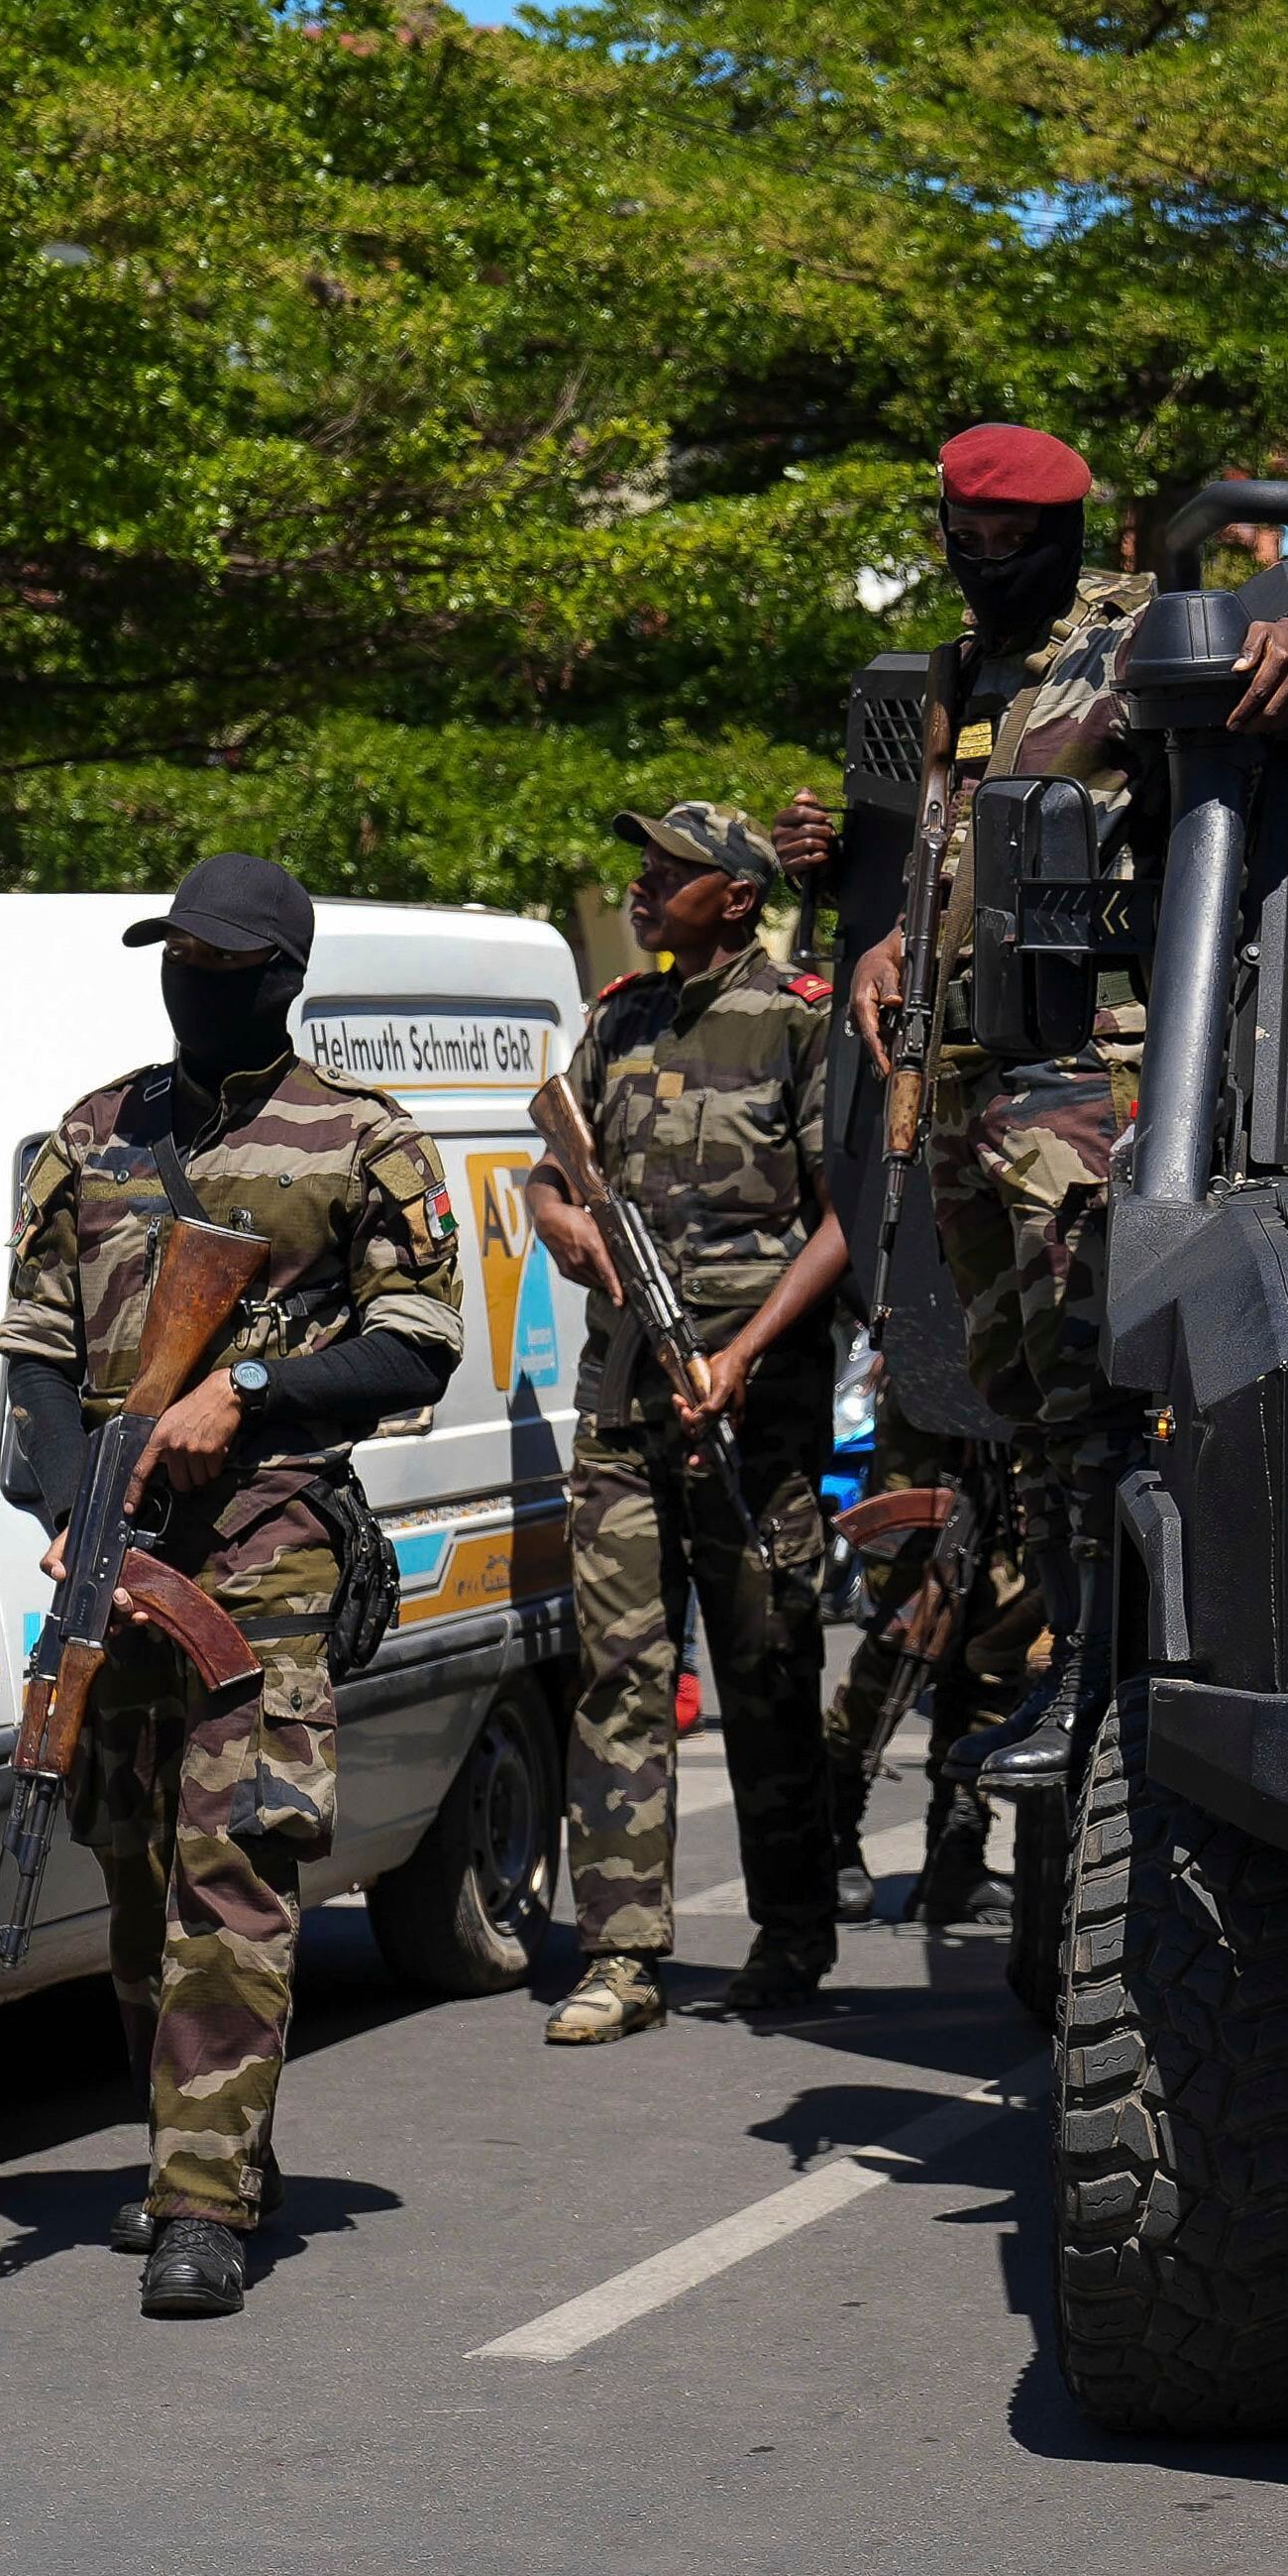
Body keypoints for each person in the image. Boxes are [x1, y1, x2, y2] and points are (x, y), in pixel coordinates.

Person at [799, 424, 1288, 1809]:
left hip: (1090, 1060)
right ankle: (1060, 1649)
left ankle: (1095, 1669)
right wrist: (892, 943)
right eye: (960, 548)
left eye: (1004, 550)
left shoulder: (1137, 634)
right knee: (1019, 1388)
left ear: (1065, 542)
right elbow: (949, 833)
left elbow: (1273, 665)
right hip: (969, 1061)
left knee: (1092, 1377)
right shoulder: (964, 667)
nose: (981, 573)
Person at [0, 853, 464, 2316]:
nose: (187, 981)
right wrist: (77, 1514)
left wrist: (248, 1389)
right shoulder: (89, 1133)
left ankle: (202, 2203)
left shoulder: (364, 1139)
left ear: (278, 977)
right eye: (172, 956)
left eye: (216, 962)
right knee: (130, 1870)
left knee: (232, 1872)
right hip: (120, 1563)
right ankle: (190, 2149)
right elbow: (41, 1363)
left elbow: (420, 1339)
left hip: (267, 1554)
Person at [521, 804, 854, 2035]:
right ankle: (620, 1956)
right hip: (622, 1398)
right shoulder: (618, 1018)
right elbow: (553, 1175)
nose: (643, 883)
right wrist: (561, 1219)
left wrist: (745, 1351)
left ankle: (792, 1933)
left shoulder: (801, 1021)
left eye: (670, 870)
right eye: (644, 866)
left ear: (735, 895)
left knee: (769, 1663)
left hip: (753, 1408)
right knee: (617, 1670)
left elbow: (845, 1219)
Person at [820, 1397, 1032, 1931]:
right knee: (904, 1635)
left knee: (996, 1648)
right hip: (926, 1398)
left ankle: (957, 1848)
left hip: (1017, 1400)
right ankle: (833, 1831)